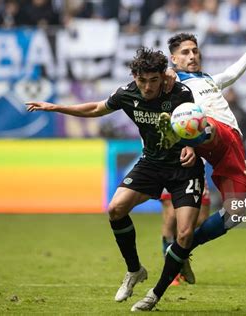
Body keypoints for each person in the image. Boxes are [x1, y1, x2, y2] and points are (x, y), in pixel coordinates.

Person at [26, 48, 205, 312]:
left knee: (185, 233)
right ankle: (134, 270)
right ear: (135, 76)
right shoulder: (127, 93)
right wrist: (56, 107)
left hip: (183, 169)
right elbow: (97, 108)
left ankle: (155, 294)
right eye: (142, 80)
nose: (147, 87)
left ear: (161, 77)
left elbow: (196, 124)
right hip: (152, 164)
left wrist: (192, 146)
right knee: (115, 208)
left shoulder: (180, 93)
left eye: (153, 80)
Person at [158, 30, 246, 257]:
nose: (192, 56)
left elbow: (231, 74)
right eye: (185, 52)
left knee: (235, 214)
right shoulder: (174, 82)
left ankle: (183, 249)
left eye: (195, 51)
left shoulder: (208, 80)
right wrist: (166, 72)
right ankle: (185, 137)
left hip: (232, 146)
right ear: (174, 59)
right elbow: (161, 78)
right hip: (211, 133)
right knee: (207, 124)